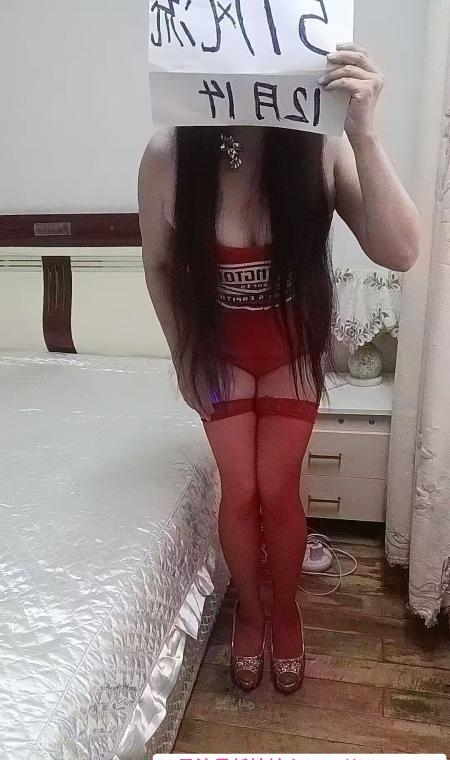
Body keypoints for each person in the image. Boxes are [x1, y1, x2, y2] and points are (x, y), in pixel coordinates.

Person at [138, 43, 422, 693]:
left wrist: (364, 133)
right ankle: (250, 610)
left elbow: (403, 249)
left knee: (277, 489)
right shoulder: (168, 153)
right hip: (218, 350)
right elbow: (158, 265)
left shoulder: (319, 146)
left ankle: (286, 612)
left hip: (291, 345)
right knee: (239, 492)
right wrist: (181, 355)